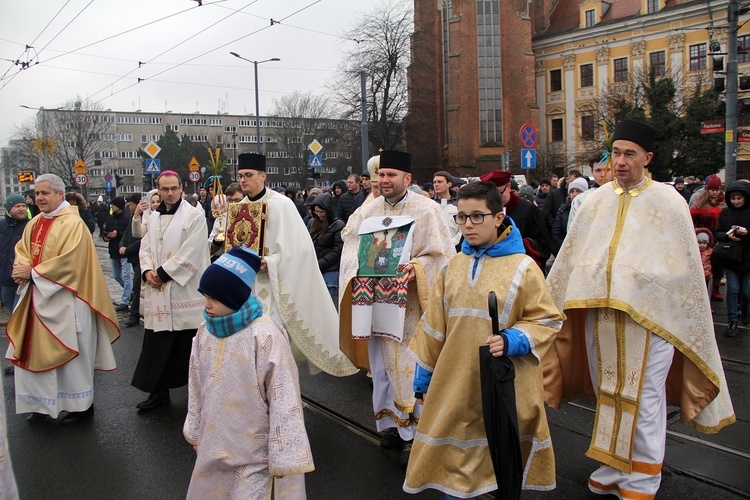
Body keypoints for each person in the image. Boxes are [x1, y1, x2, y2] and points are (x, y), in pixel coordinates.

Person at [543, 120, 735, 499]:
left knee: (644, 395)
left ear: (647, 158)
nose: (620, 161)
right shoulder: (595, 201)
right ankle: (614, 466)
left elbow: (683, 269)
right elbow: (572, 258)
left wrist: (638, 280)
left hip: (651, 318)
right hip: (600, 315)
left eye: (630, 154)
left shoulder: (668, 201)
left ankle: (644, 475)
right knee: (608, 390)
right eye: (615, 153)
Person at [404, 181, 562, 497]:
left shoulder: (524, 268)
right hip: (456, 384)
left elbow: (547, 318)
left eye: (478, 216)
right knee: (455, 467)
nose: (469, 225)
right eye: (462, 217)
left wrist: (514, 338)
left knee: (501, 464)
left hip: (505, 386)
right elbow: (435, 326)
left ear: (499, 217)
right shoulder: (453, 267)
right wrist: (423, 380)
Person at [338, 150, 455, 466]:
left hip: (411, 307)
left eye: (391, 175)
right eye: (382, 175)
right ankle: (389, 425)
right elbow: (350, 250)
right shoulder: (369, 211)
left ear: (408, 179)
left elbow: (442, 258)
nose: (384, 180)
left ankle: (414, 437)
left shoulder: (427, 211)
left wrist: (416, 269)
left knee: (407, 366)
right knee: (380, 366)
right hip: (374, 300)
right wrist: (358, 268)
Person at [184, 247, 313, 499]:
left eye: (215, 298)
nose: (207, 305)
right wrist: (196, 429)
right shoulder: (204, 331)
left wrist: (284, 452)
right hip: (214, 442)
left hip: (253, 450)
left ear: (234, 297)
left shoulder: (264, 334)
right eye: (205, 296)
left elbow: (283, 394)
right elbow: (195, 382)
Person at [7, 174, 119, 423]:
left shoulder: (73, 223)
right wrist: (21, 268)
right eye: (37, 193)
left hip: (68, 299)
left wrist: (33, 273)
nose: (39, 198)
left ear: (59, 194)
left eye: (45, 193)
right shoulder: (35, 222)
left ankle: (80, 406)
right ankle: (39, 405)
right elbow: (23, 250)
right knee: (32, 350)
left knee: (70, 357)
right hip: (36, 299)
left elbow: (72, 262)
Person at [234, 153, 356, 377]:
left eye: (248, 175)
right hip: (248, 287)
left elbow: (300, 249)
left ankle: (281, 391)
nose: (243, 180)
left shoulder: (282, 205)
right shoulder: (239, 207)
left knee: (274, 347)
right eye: (240, 176)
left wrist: (269, 262)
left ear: (263, 176)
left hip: (274, 285)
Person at [131, 170, 210, 411]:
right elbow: (144, 247)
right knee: (157, 345)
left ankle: (199, 397)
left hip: (183, 292)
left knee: (188, 348)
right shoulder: (153, 217)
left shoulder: (194, 216)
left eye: (174, 188)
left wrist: (163, 274)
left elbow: (193, 251)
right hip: (158, 292)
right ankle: (158, 393)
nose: (170, 193)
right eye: (164, 189)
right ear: (158, 190)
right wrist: (147, 272)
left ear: (181, 188)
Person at [480, 170, 553, 270]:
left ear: (508, 187)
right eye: (488, 195)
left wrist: (521, 244)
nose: (494, 199)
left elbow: (544, 244)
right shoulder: (480, 212)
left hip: (519, 269)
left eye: (499, 193)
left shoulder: (529, 210)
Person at [715, 181, 750, 337]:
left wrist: (746, 233)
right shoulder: (725, 213)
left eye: (739, 198)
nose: (736, 201)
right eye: (734, 198)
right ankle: (732, 321)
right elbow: (719, 233)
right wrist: (727, 236)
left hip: (748, 258)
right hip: (730, 257)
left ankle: (745, 309)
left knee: (746, 292)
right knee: (733, 289)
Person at [690, 175, 726, 301]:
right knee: (702, 263)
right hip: (702, 236)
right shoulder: (699, 201)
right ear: (707, 189)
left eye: (717, 190)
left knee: (717, 264)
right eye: (712, 190)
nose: (715, 192)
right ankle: (700, 289)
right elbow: (693, 219)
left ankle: (715, 288)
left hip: (718, 237)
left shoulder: (724, 202)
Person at [308, 193, 345, 306]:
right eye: (316, 212)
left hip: (331, 270)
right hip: (315, 267)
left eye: (321, 212)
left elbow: (337, 251)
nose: (319, 215)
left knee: (328, 303)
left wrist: (319, 264)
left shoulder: (338, 225)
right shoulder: (312, 223)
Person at [103, 196, 133, 312]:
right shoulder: (110, 218)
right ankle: (130, 293)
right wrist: (106, 237)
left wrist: (118, 234)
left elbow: (128, 234)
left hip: (124, 251)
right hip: (113, 250)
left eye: (114, 205)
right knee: (116, 275)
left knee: (126, 276)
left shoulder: (127, 218)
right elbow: (106, 231)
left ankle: (124, 301)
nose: (112, 207)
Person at [1, 194, 29, 314]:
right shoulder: (2, 226)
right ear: (9, 208)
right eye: (18, 206)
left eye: (24, 206)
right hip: (4, 282)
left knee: (19, 315)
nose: (22, 209)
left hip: (22, 282)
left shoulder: (31, 225)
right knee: (11, 312)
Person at [120, 194, 143, 328]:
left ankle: (134, 315)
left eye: (131, 204)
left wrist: (127, 249)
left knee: (137, 287)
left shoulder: (143, 218)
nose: (129, 207)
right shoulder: (133, 218)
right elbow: (126, 233)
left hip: (140, 257)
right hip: (134, 258)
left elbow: (141, 239)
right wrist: (121, 245)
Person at [552, 177, 588, 254]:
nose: (574, 194)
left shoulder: (590, 210)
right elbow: (556, 232)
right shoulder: (563, 209)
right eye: (572, 191)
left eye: (578, 191)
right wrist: (566, 247)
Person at [432, 171, 461, 248]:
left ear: (449, 184)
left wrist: (452, 242)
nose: (436, 184)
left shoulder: (459, 203)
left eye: (440, 182)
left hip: (456, 247)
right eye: (434, 182)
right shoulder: (429, 204)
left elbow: (462, 228)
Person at [696, 228, 713, 295]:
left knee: (705, 291)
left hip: (706, 275)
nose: (702, 245)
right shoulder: (694, 252)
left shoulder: (710, 252)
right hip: (696, 275)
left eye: (704, 243)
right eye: (699, 243)